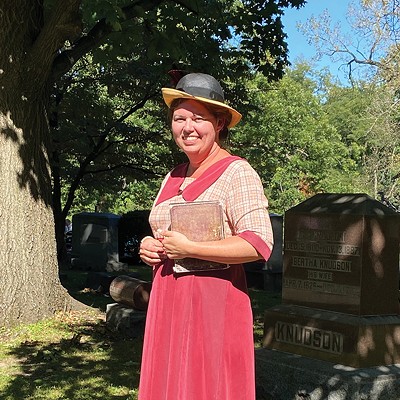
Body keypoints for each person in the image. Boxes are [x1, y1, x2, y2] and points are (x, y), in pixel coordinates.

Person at [138, 72, 273, 400]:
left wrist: (191, 247)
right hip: (167, 299)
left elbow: (259, 242)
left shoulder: (237, 172)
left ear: (220, 123)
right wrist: (150, 246)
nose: (187, 128)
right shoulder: (172, 176)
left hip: (212, 304)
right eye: (179, 118)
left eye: (198, 119)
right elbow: (164, 233)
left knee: (207, 386)